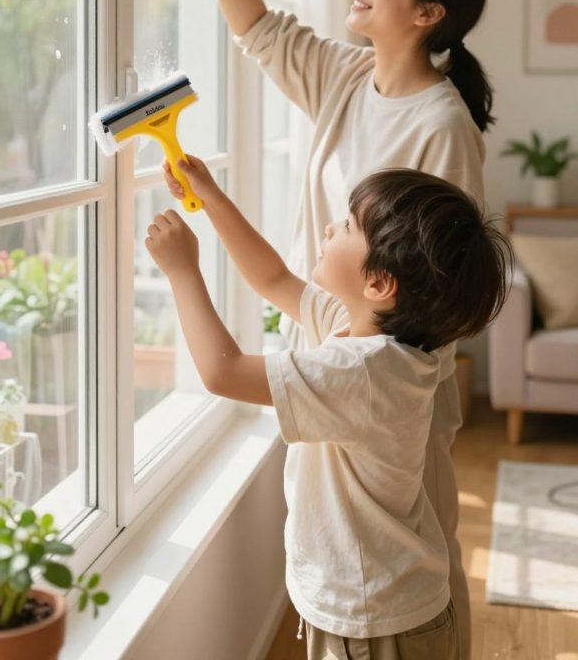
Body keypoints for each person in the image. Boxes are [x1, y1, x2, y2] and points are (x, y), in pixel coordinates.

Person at [165, 0, 495, 659]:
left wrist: (377, 365)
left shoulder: (442, 127)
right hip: (343, 336)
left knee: (407, 554)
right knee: (356, 550)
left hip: (390, 364)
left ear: (426, 14)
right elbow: (260, 31)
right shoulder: (349, 77)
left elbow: (446, 277)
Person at [147, 158, 511, 659]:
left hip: (375, 625)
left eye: (346, 225)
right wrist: (208, 195)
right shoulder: (375, 335)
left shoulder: (362, 373)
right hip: (383, 610)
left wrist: (182, 271)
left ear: (380, 283)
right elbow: (273, 278)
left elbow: (222, 371)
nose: (328, 226)